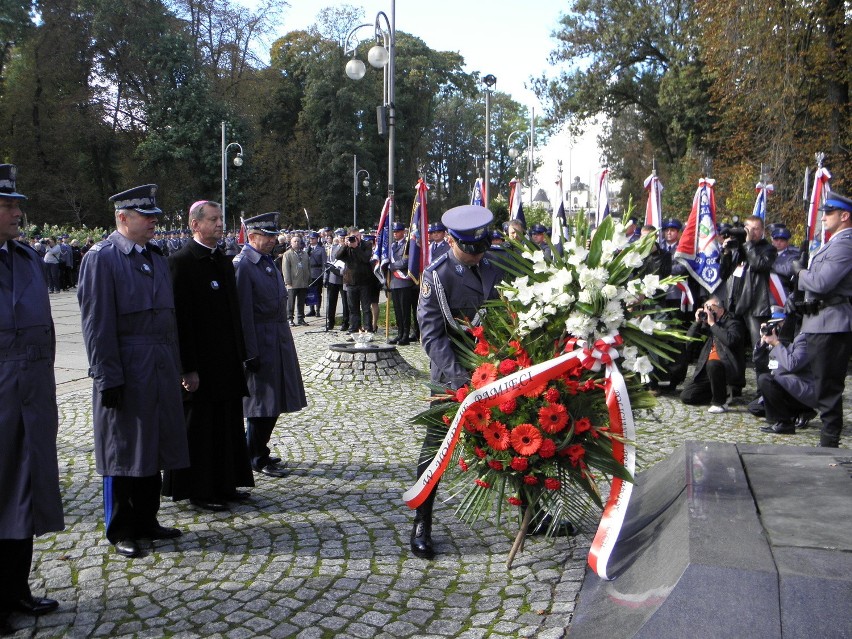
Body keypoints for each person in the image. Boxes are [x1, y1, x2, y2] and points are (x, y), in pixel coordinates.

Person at [77, 184, 189, 558]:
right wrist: (107, 376)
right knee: (122, 450)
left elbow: (169, 321)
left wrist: (178, 365)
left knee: (152, 445)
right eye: (147, 216)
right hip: (126, 367)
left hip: (157, 365)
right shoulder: (102, 258)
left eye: (155, 216)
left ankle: (147, 520)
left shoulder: (155, 256)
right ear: (123, 218)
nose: (154, 222)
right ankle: (121, 528)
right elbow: (97, 325)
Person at [413, 204, 504, 559]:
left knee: (521, 434)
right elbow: (432, 337)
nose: (476, 256)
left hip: (501, 369)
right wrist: (462, 380)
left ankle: (535, 509)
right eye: (470, 250)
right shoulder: (436, 277)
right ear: (451, 241)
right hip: (453, 375)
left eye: (481, 249)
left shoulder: (496, 263)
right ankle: (423, 520)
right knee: (434, 448)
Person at [0, 165, 64, 632]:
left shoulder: (24, 259)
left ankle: (15, 590)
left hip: (33, 393)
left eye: (16, 204)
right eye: (8, 206)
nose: (18, 212)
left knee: (24, 493)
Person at [164, 200, 254, 511]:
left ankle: (225, 484)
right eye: (213, 219)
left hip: (226, 363)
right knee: (200, 429)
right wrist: (187, 368)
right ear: (194, 225)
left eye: (221, 219)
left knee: (226, 425)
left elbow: (233, 314)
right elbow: (181, 321)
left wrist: (240, 355)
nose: (220, 224)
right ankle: (199, 490)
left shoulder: (223, 260)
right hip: (200, 365)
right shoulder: (181, 261)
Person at [234, 213, 307, 477]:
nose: (272, 240)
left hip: (277, 338)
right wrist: (248, 352)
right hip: (260, 342)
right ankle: (252, 455)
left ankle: (259, 450)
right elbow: (243, 314)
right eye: (267, 236)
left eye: (274, 235)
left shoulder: (265, 261)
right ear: (252, 236)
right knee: (260, 404)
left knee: (274, 402)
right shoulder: (243, 264)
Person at [793, 191, 852, 447]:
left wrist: (800, 272)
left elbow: (822, 282)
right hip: (819, 320)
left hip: (833, 322)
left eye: (829, 213)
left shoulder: (846, 243)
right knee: (818, 383)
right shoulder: (833, 242)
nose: (823, 217)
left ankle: (829, 444)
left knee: (827, 387)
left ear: (845, 215)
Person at [723, 216, 777, 364]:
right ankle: (735, 385)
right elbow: (723, 273)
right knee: (733, 348)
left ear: (762, 231)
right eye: (749, 229)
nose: (752, 232)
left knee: (759, 347)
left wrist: (747, 244)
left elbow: (758, 265)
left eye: (756, 229)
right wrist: (726, 252)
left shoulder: (768, 249)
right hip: (734, 305)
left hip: (756, 306)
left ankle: (763, 383)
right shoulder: (737, 247)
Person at [679, 295, 746, 413]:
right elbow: (688, 342)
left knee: (713, 364)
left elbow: (730, 341)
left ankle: (719, 402)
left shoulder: (733, 322)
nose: (707, 311)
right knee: (687, 396)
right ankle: (723, 392)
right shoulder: (708, 323)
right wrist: (697, 323)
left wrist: (712, 324)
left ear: (720, 308)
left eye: (710, 308)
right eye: (705, 308)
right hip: (708, 370)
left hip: (727, 367)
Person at [753, 312, 816, 435]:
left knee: (765, 379)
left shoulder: (802, 339)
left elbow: (792, 364)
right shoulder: (775, 338)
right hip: (783, 385)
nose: (776, 327)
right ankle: (798, 413)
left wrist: (776, 343)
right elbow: (758, 362)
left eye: (778, 323)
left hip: (800, 387)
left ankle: (785, 423)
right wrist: (763, 341)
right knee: (754, 407)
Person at [337, 227, 374, 333]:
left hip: (364, 281)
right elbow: (338, 256)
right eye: (353, 236)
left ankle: (368, 329)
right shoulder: (347, 246)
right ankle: (354, 328)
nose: (356, 238)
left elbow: (366, 259)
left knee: (366, 308)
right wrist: (345, 245)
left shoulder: (366, 244)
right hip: (350, 281)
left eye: (358, 235)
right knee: (353, 308)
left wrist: (356, 247)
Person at [388, 222, 415, 345]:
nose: (395, 233)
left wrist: (391, 266)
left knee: (405, 311)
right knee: (398, 310)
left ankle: (405, 334)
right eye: (394, 231)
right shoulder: (392, 246)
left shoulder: (407, 245)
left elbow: (405, 262)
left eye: (397, 231)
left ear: (403, 232)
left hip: (404, 281)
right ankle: (399, 333)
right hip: (394, 282)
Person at [282, 235, 310, 327]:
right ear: (291, 243)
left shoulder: (305, 254)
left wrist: (309, 278)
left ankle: (301, 318)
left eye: (298, 241)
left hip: (303, 282)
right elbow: (285, 269)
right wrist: (287, 281)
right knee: (291, 302)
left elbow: (308, 267)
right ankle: (290, 318)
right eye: (295, 241)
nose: (297, 243)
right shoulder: (287, 254)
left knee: (301, 302)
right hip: (292, 283)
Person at [325, 229, 348, 331]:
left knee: (345, 302)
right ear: (337, 238)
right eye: (340, 237)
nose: (342, 239)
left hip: (344, 277)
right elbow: (329, 261)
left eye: (343, 238)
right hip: (333, 277)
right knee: (331, 301)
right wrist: (326, 278)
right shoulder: (332, 248)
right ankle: (331, 322)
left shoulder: (348, 248)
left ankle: (345, 322)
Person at [306, 231, 326, 317]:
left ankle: (317, 310)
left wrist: (324, 276)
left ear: (317, 239)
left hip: (317, 272)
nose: (311, 240)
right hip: (309, 272)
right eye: (310, 238)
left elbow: (324, 263)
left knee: (318, 292)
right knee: (310, 292)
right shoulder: (307, 249)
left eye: (313, 238)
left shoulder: (321, 249)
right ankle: (311, 309)